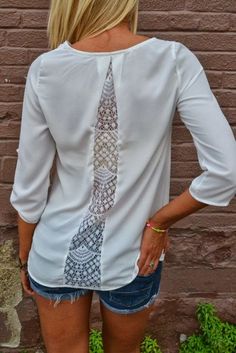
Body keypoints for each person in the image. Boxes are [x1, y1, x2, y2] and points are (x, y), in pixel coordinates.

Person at [9, 0, 236, 352]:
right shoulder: (173, 60)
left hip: (54, 251)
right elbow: (227, 170)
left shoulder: (46, 69)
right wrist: (160, 223)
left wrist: (25, 256)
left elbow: (29, 188)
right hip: (135, 255)